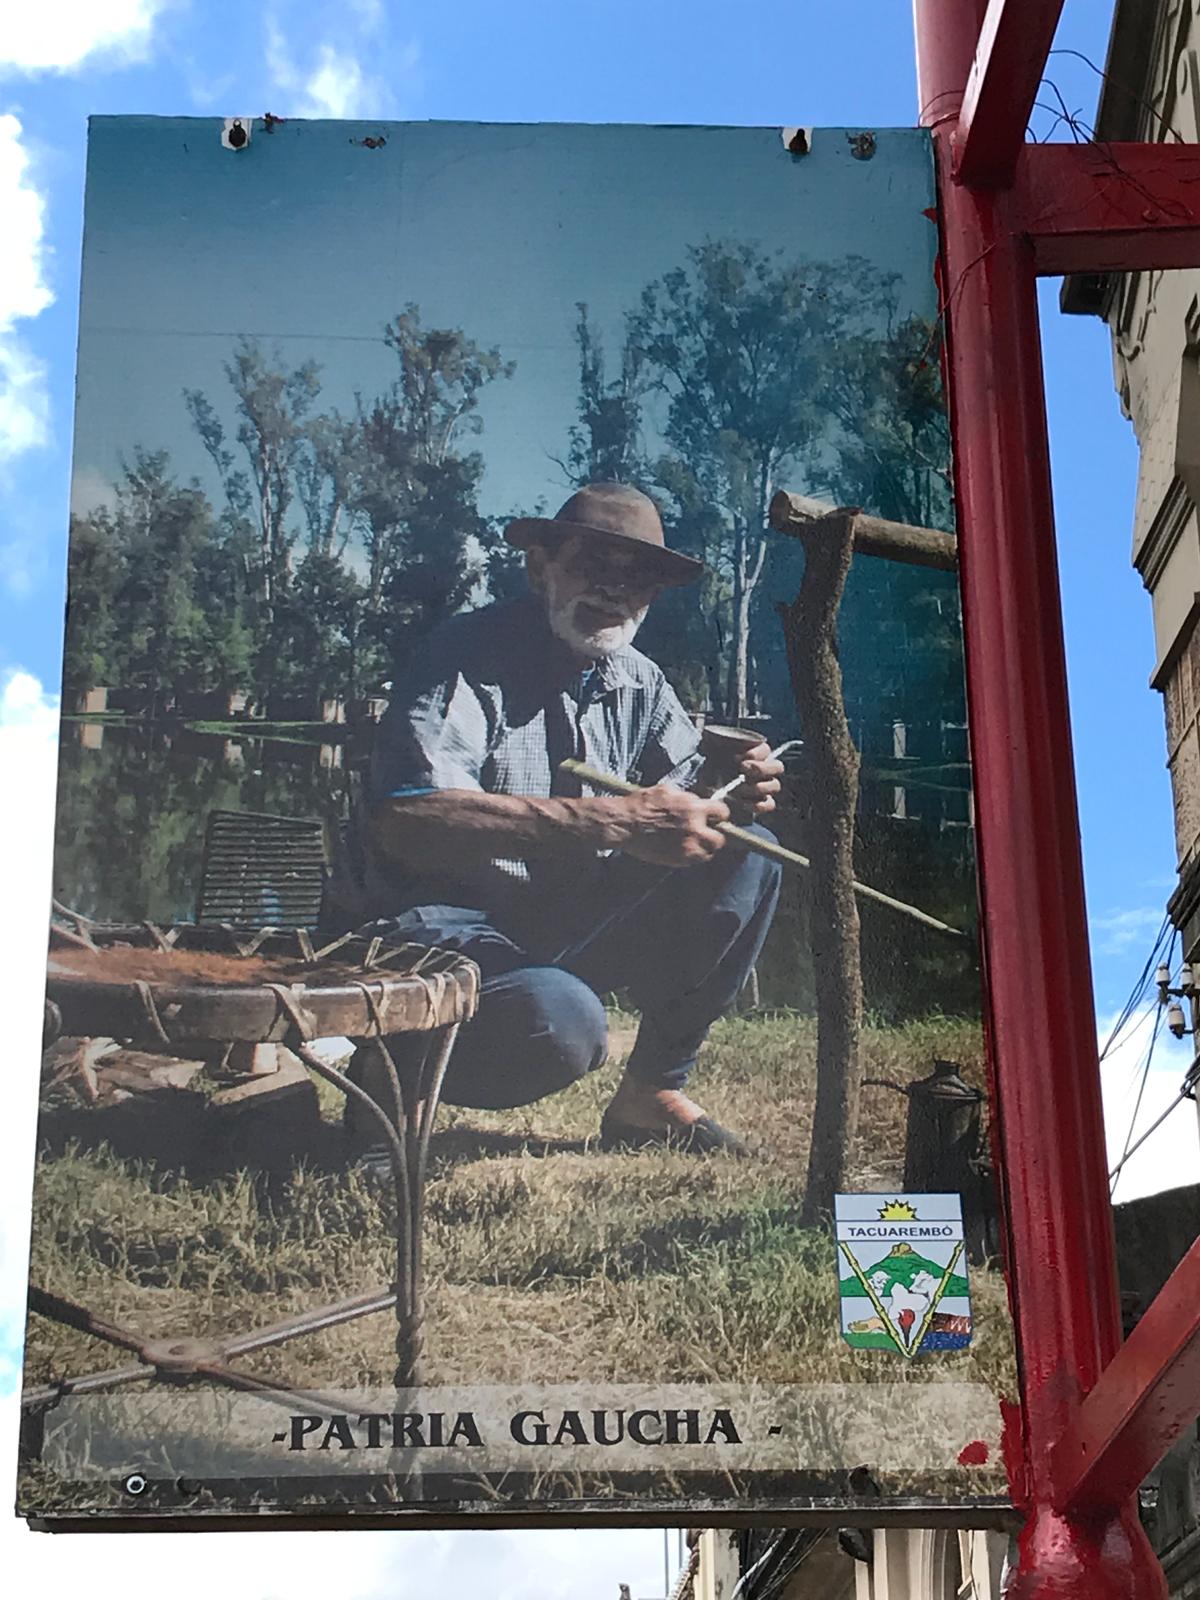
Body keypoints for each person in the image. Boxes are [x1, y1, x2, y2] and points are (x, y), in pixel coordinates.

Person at [347, 482, 784, 1153]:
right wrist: (616, 823)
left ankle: (651, 1093)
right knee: (562, 1026)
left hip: (551, 925)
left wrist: (724, 795)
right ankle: (392, 1068)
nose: (614, 591)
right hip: (431, 930)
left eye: (636, 579)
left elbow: (680, 800)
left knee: (747, 846)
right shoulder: (466, 654)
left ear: (654, 596)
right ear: (538, 567)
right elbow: (409, 820)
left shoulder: (641, 682)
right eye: (593, 565)